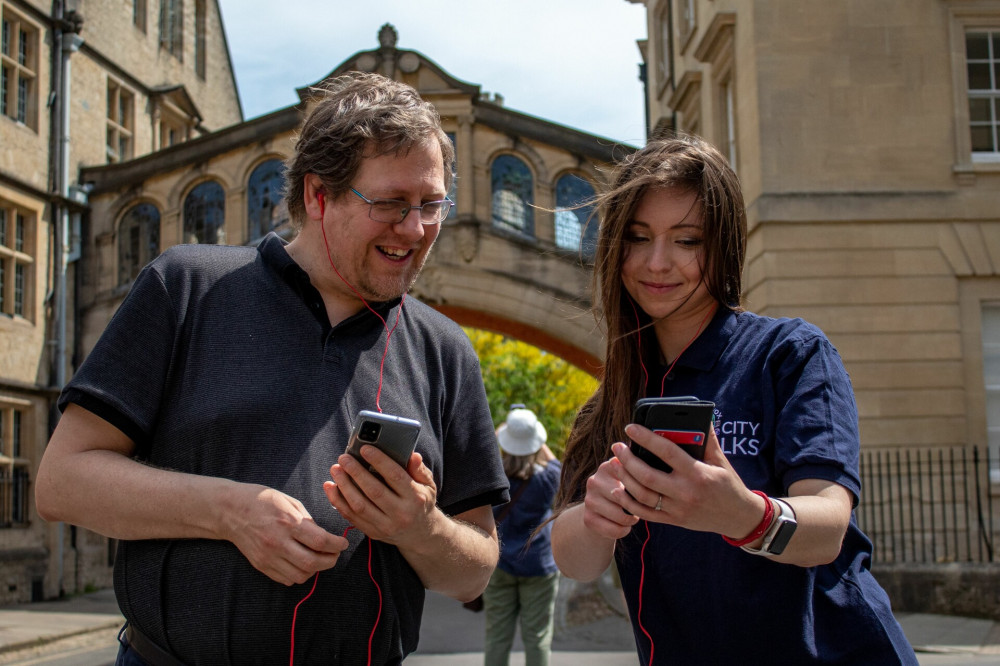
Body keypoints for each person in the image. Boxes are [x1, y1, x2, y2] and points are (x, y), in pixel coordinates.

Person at [35, 71, 509, 665]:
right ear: (318, 195)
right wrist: (230, 512)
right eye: (390, 203)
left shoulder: (445, 349)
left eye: (432, 205)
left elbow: (474, 573)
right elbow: (61, 482)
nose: (416, 229)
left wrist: (419, 526)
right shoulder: (187, 286)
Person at [549, 135, 918, 665]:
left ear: (722, 244)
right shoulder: (614, 400)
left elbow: (828, 528)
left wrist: (741, 514)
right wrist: (595, 518)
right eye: (638, 237)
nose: (657, 263)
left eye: (687, 240)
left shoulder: (789, 353)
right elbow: (576, 561)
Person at [483, 406, 561, 666]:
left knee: (496, 637)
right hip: (538, 564)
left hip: (500, 561)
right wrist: (532, 438)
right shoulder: (549, 478)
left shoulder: (493, 477)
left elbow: (486, 452)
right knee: (537, 637)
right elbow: (554, 463)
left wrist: (501, 433)